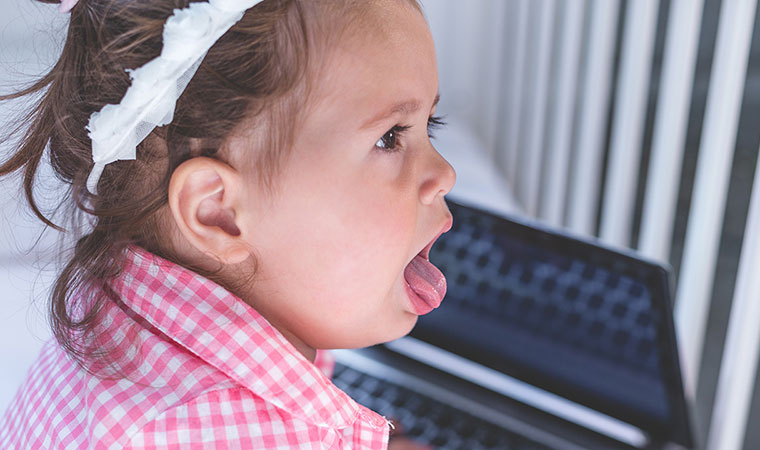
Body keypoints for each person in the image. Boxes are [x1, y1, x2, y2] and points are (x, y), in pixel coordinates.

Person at [0, 0, 455, 448]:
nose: (445, 175)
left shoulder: (116, 306)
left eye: (428, 125)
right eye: (389, 137)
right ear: (216, 213)